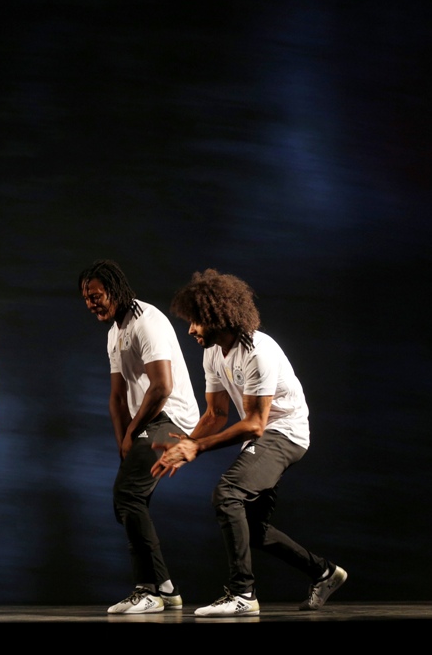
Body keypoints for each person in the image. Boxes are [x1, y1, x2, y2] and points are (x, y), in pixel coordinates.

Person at [153, 269, 347, 616]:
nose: (191, 330)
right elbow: (215, 413)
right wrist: (184, 444)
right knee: (252, 530)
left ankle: (242, 593)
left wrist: (197, 448)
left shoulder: (258, 351)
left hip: (286, 432)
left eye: (196, 321)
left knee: (227, 494)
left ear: (217, 317)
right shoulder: (212, 352)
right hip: (263, 434)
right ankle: (324, 572)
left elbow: (256, 425)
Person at [79, 260, 199, 614]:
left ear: (114, 291)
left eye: (96, 295)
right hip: (146, 424)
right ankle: (165, 588)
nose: (91, 303)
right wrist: (123, 442)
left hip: (172, 418)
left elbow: (162, 386)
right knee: (130, 503)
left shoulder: (147, 322)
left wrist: (132, 432)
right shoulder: (114, 333)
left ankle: (150, 589)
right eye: (86, 298)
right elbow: (117, 397)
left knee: (128, 496)